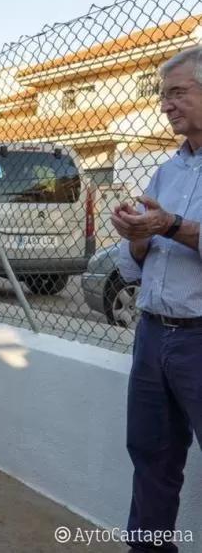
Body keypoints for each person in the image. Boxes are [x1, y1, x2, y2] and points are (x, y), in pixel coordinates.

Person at [112, 46, 202, 553]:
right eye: (163, 95)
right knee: (150, 456)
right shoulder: (166, 171)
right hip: (151, 334)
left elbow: (171, 227)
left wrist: (169, 224)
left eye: (178, 93)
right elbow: (134, 264)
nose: (166, 105)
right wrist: (137, 234)